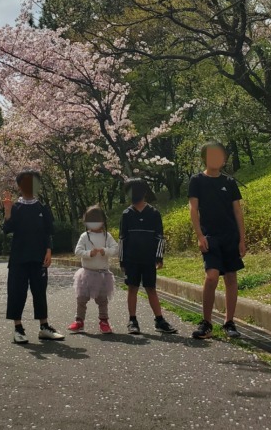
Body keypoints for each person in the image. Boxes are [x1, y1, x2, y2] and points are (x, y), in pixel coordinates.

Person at [188, 141, 246, 340]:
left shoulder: (229, 182)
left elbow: (237, 211)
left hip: (230, 236)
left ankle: (229, 322)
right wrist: (199, 236)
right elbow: (193, 209)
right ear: (204, 158)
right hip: (210, 236)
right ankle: (206, 322)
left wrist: (242, 239)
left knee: (231, 278)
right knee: (211, 277)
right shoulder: (196, 180)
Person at [3, 169, 64, 344]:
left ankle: (44, 327)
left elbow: (48, 231)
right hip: (18, 258)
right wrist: (7, 211)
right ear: (19, 186)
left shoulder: (42, 207)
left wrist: (49, 250)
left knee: (40, 292)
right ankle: (18, 328)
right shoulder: (15, 207)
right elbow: (7, 230)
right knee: (17, 292)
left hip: (39, 257)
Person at [119, 177, 178, 335]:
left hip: (148, 259)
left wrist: (159, 258)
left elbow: (159, 237)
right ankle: (132, 320)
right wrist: (122, 260)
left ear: (144, 192)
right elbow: (122, 239)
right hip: (131, 259)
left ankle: (159, 320)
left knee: (151, 288)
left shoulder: (153, 213)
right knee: (132, 288)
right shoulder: (126, 214)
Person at [68, 206, 119, 335]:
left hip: (102, 274)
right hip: (86, 273)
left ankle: (104, 322)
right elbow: (78, 251)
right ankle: (79, 321)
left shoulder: (107, 236)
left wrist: (105, 251)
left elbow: (116, 249)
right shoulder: (84, 236)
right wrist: (88, 253)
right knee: (81, 299)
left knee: (102, 300)